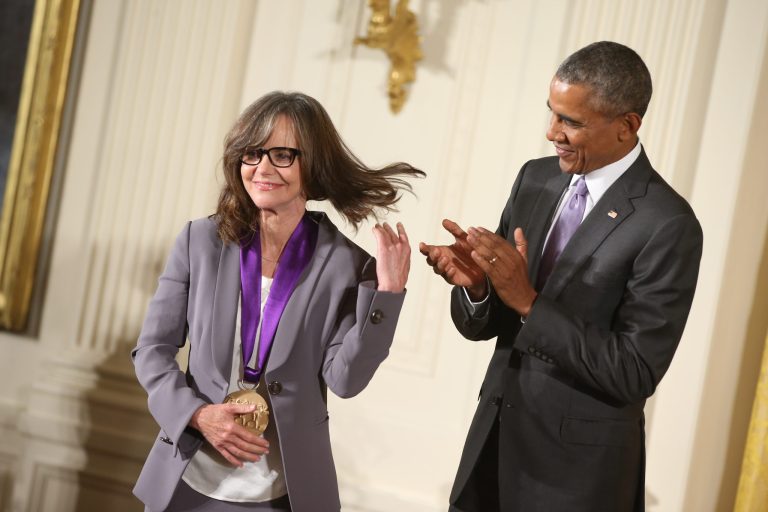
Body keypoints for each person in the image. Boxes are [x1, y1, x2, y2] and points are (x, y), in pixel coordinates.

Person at [420, 41, 703, 511]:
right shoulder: (536, 178)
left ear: (627, 126)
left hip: (575, 480)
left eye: (571, 122)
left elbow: (634, 371)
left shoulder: (667, 223)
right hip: (492, 447)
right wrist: (477, 287)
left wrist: (530, 302)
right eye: (552, 113)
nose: (552, 132)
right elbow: (487, 323)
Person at [131, 91, 424, 512]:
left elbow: (345, 380)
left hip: (280, 496)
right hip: (186, 483)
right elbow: (152, 352)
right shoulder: (200, 241)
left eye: (283, 154)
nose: (263, 168)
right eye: (253, 153)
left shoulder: (346, 265)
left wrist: (389, 295)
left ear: (313, 165)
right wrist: (196, 415)